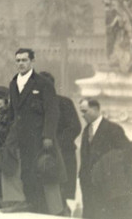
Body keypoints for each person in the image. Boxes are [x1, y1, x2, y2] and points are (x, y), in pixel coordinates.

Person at [6, 48, 64, 215]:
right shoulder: (13, 83)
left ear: (32, 62)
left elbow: (52, 112)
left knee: (39, 170)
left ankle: (44, 208)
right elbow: (13, 111)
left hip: (38, 136)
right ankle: (26, 202)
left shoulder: (43, 83)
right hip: (19, 135)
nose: (21, 64)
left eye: (24, 60)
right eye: (18, 60)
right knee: (22, 168)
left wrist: (48, 136)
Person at [78, 98, 132, 219]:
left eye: (85, 111)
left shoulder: (112, 128)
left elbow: (128, 152)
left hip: (106, 185)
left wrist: (109, 169)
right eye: (81, 112)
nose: (82, 115)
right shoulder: (86, 130)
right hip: (88, 183)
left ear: (95, 109)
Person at [40, 71, 82, 206]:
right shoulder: (34, 106)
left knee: (63, 196)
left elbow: (75, 127)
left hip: (64, 154)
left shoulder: (65, 103)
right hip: (41, 155)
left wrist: (56, 142)